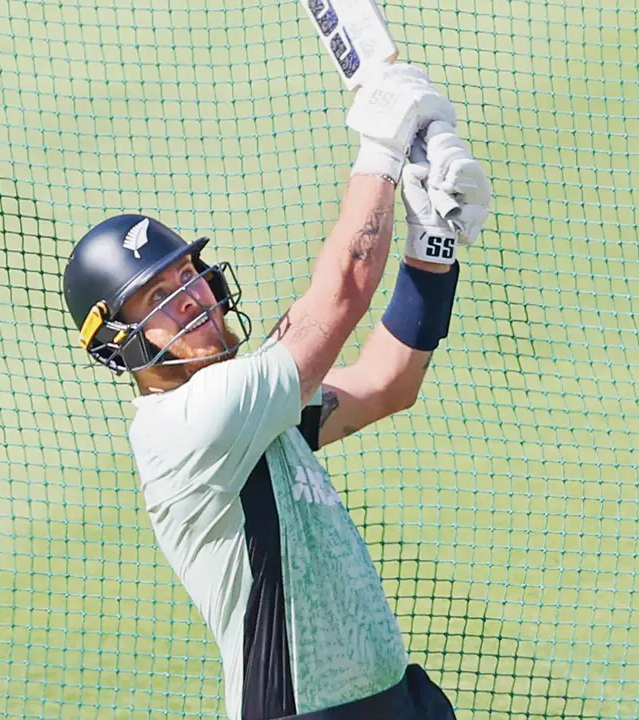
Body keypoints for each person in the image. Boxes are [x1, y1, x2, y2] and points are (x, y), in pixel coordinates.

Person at [61, 63, 491, 720]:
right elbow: (341, 295)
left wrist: (432, 245)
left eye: (189, 276)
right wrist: (381, 146)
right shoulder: (191, 425)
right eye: (161, 297)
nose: (196, 299)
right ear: (119, 341)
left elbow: (385, 384)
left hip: (392, 702)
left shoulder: (251, 409)